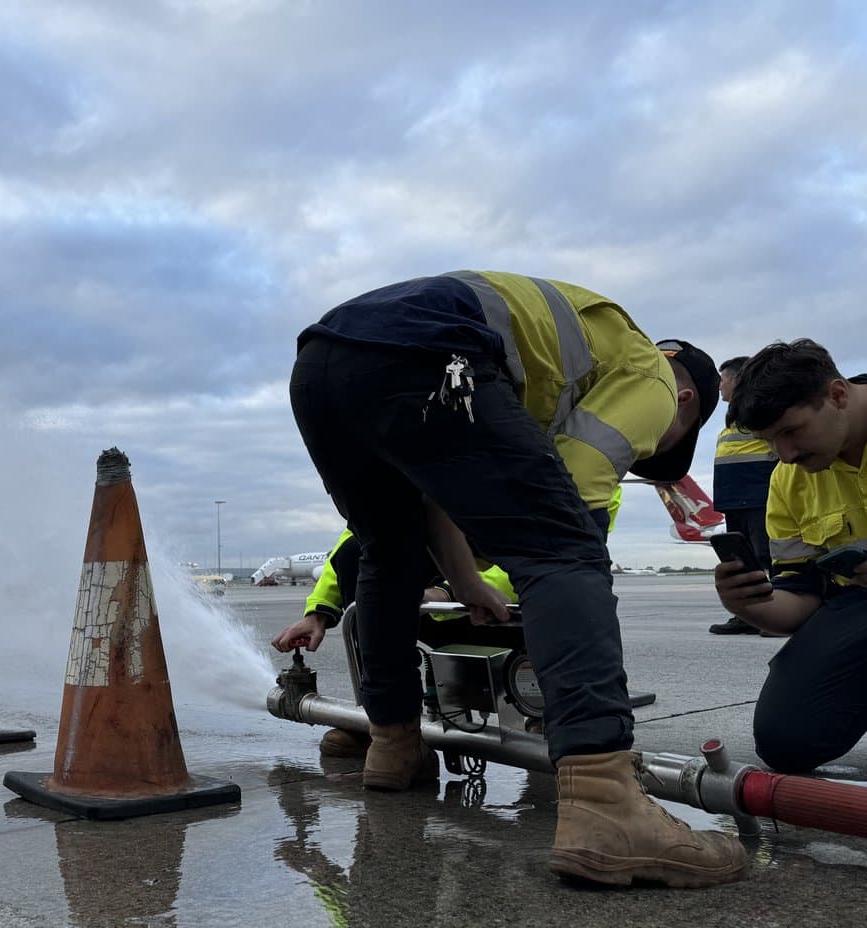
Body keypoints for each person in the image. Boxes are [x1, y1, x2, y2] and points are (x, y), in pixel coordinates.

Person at [278, 270, 744, 888]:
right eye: (658, 446)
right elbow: (570, 501)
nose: (643, 449)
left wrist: (465, 580)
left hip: (320, 368)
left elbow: (435, 495)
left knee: (387, 550)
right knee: (565, 540)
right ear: (686, 404)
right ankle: (605, 804)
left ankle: (392, 744)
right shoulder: (654, 377)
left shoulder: (547, 370)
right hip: (429, 350)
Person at [288, 486, 623, 756]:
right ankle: (383, 722)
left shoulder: (580, 471)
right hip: (430, 602)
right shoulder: (464, 438)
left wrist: (447, 591)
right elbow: (357, 542)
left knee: (561, 597)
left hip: (501, 612)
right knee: (363, 548)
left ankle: (550, 713)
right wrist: (319, 610)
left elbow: (555, 558)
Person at [717, 340, 867, 773]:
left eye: (791, 431)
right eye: (769, 442)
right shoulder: (789, 479)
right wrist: (748, 602)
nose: (785, 455)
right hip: (857, 607)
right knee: (787, 738)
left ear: (837, 395)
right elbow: (799, 598)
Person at [708, 355, 779, 635]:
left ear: (737, 380)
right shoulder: (733, 420)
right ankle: (749, 615)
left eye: (722, 379)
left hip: (759, 495)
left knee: (769, 554)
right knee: (741, 557)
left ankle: (776, 614)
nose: (719, 386)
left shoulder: (761, 412)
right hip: (735, 497)